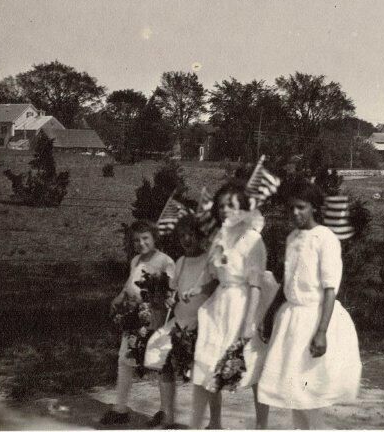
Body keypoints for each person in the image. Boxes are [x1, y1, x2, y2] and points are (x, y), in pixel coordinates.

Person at [257, 180, 361, 429]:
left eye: (301, 207)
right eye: (291, 208)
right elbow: (288, 281)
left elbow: (330, 288)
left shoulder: (325, 238)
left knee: (308, 389)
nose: (295, 213)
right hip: (291, 319)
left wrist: (321, 332)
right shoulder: (292, 238)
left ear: (314, 207)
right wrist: (269, 315)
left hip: (314, 318)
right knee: (295, 390)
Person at [190, 182, 274, 429]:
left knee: (252, 364)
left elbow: (256, 284)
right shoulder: (220, 236)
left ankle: (261, 425)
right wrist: (197, 289)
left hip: (243, 304)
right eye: (221, 206)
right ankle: (215, 423)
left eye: (231, 205)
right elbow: (214, 274)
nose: (225, 210)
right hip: (219, 305)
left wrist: (250, 322)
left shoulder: (253, 239)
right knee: (210, 360)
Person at [100, 221, 175, 426]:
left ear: (154, 238)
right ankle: (120, 408)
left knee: (160, 363)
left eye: (145, 238)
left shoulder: (164, 261)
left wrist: (159, 310)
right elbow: (129, 285)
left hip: (156, 317)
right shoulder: (135, 260)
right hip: (133, 317)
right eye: (136, 240)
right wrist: (119, 297)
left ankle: (165, 412)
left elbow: (171, 291)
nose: (141, 243)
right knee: (124, 359)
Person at [154, 214, 219, 428]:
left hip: (202, 322)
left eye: (190, 234)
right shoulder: (180, 262)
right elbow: (173, 290)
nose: (186, 240)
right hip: (180, 320)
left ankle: (215, 423)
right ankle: (168, 416)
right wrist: (170, 298)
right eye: (182, 236)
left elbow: (217, 284)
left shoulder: (209, 259)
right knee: (161, 357)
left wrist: (201, 289)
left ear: (199, 236)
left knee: (206, 372)